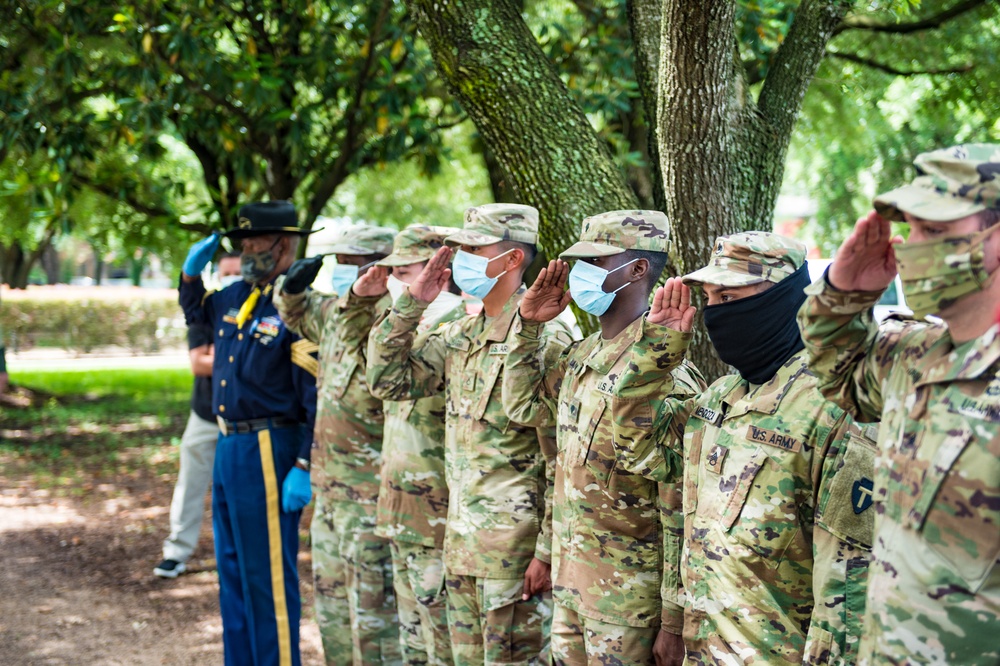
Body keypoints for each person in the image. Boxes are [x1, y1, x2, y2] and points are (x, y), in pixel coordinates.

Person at [614, 231, 876, 665]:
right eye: (712, 298)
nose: (717, 311)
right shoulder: (721, 398)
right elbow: (639, 449)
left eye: (731, 295)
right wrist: (655, 354)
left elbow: (849, 595)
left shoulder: (834, 409)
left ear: (782, 298)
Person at [797, 144, 1000, 664]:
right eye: (910, 229)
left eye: (934, 232)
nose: (911, 248)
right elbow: (839, 378)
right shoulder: (914, 353)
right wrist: (845, 290)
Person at [366, 204, 574, 665]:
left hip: (514, 556)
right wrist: (411, 303)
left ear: (512, 259)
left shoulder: (546, 337)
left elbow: (564, 455)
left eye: (474, 249)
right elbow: (388, 381)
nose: (460, 258)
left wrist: (546, 549)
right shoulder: (462, 334)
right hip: (460, 548)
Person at [500, 210, 706, 665]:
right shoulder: (581, 356)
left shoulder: (664, 376)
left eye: (595, 262)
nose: (578, 274)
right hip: (574, 589)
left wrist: (673, 622)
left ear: (636, 270)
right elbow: (526, 412)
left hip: (629, 605)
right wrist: (528, 326)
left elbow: (680, 507)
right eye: (579, 262)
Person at [178, 201, 319, 666]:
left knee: (268, 579)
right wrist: (190, 276)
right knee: (233, 571)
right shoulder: (236, 294)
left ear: (283, 245)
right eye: (241, 245)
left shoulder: (297, 303)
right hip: (229, 442)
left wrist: (304, 463)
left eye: (254, 245)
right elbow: (196, 313)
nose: (245, 253)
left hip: (268, 444)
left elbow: (314, 391)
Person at [274, 224, 402, 665]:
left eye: (352, 263)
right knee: (333, 618)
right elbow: (295, 311)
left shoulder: (397, 320)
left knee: (376, 626)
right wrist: (291, 285)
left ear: (382, 266)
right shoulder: (336, 313)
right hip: (329, 497)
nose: (343, 271)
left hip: (371, 500)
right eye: (340, 262)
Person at [347, 225, 468, 666]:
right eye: (395, 271)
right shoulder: (402, 317)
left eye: (407, 270)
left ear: (440, 268)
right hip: (402, 511)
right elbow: (377, 379)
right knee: (413, 647)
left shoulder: (458, 320)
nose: (399, 280)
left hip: (437, 513)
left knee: (443, 648)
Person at [155, 252, 242, 578]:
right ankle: (177, 552)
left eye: (237, 271)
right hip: (205, 415)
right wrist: (238, 353)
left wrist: (217, 353)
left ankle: (236, 552)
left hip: (243, 420)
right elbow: (197, 363)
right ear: (217, 275)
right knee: (190, 484)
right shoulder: (209, 310)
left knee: (238, 488)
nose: (231, 276)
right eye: (226, 272)